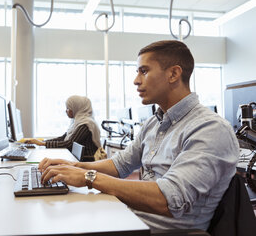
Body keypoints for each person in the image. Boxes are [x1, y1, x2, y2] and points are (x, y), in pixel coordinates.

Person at [38, 40, 239, 231]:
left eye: (144, 71)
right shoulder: (154, 122)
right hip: (132, 217)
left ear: (173, 74)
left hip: (162, 231)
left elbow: (169, 199)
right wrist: (75, 167)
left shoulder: (210, 128)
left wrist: (89, 177)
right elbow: (120, 164)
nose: (136, 80)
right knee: (53, 213)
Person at [27, 95, 101, 161]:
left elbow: (69, 144)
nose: (66, 111)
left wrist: (43, 144)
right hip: (78, 159)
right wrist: (43, 142)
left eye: (68, 108)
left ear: (76, 108)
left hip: (87, 162)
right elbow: (63, 138)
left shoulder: (85, 124)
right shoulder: (77, 122)